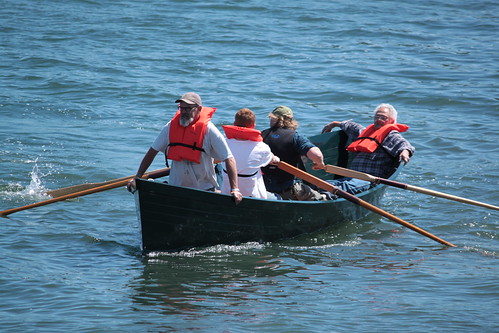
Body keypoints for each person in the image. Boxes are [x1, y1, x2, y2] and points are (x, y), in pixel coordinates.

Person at [127, 92, 243, 204]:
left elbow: (229, 158)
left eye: (188, 109)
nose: (183, 112)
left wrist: (235, 189)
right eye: (181, 108)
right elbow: (152, 152)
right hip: (176, 188)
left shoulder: (209, 130)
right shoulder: (170, 127)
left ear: (199, 109)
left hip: (203, 190)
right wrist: (137, 177)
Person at [321, 103, 415, 195]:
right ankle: (316, 194)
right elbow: (352, 126)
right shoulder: (365, 132)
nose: (379, 120)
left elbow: (405, 145)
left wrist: (405, 152)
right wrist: (334, 124)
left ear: (391, 121)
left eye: (383, 118)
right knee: (325, 184)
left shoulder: (390, 136)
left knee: (345, 187)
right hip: (351, 177)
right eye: (377, 117)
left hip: (369, 181)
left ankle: (324, 197)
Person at [261, 106, 326, 201]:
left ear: (273, 119)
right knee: (321, 196)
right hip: (288, 190)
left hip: (263, 188)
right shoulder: (295, 136)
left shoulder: (261, 135)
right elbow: (317, 155)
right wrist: (319, 164)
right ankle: (325, 197)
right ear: (290, 121)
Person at [221, 108, 280, 199]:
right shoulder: (261, 148)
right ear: (253, 125)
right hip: (253, 197)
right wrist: (275, 158)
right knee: (278, 198)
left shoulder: (224, 143)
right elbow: (273, 160)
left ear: (234, 123)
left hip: (226, 194)